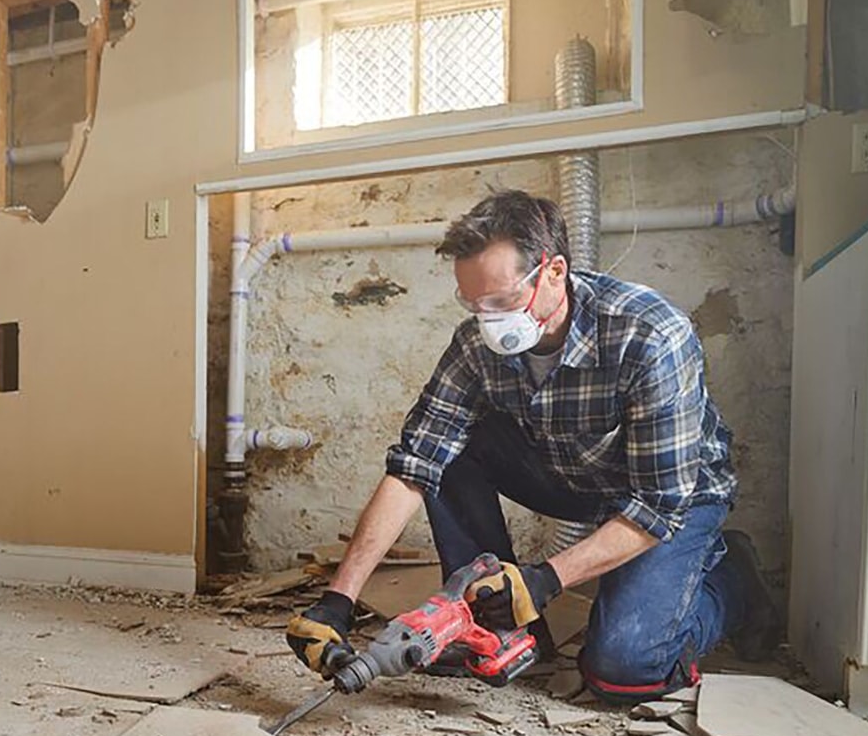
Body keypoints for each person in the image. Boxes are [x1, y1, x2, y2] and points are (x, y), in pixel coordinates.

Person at [285, 189, 777, 701]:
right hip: (573, 477)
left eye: (501, 301)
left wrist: (544, 580)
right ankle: (504, 627)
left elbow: (659, 504)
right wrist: (338, 600)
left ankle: (735, 581)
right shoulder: (476, 346)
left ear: (554, 271)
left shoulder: (650, 334)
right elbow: (414, 465)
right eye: (474, 304)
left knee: (624, 669)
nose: (489, 320)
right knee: (448, 448)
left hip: (671, 500)